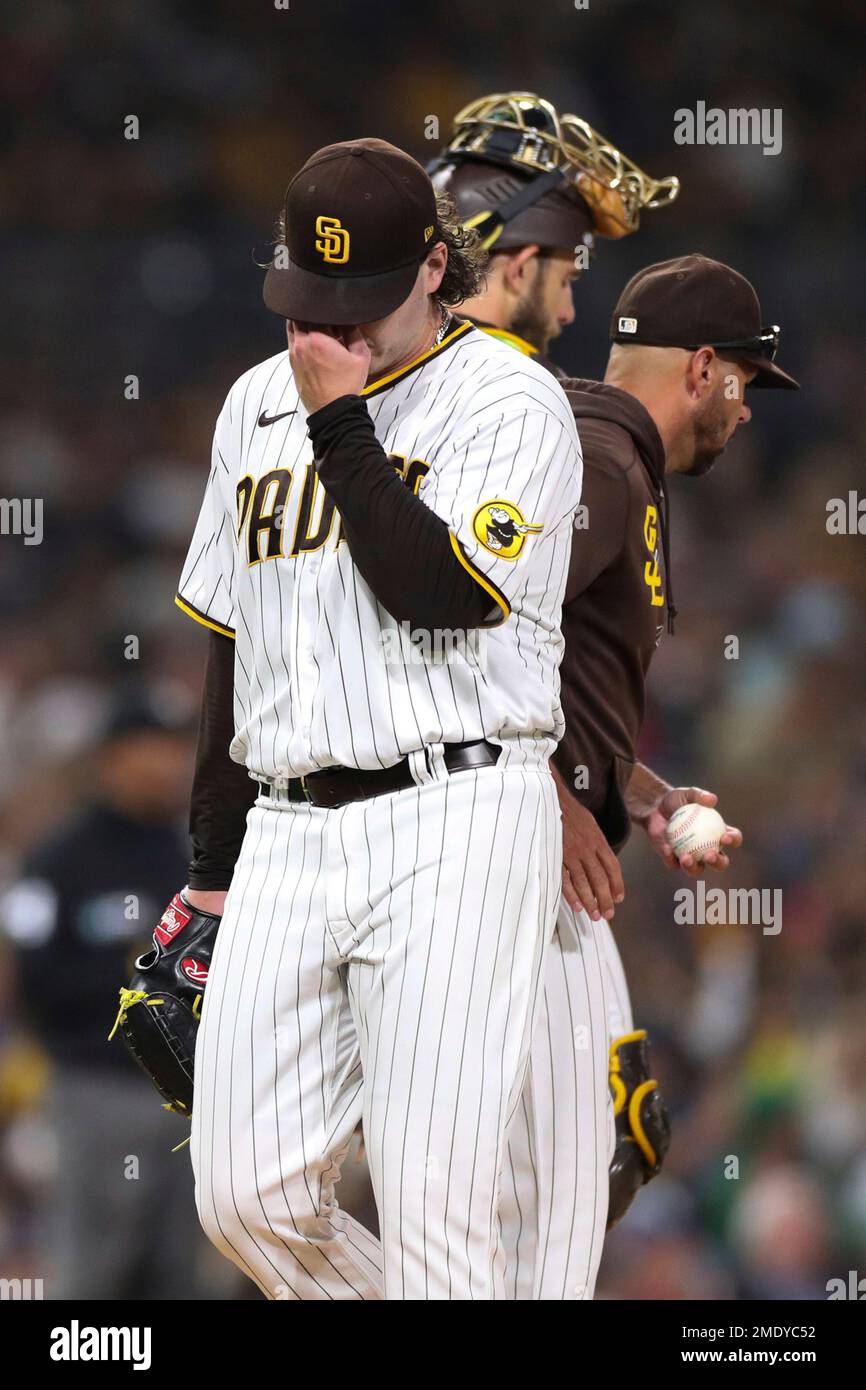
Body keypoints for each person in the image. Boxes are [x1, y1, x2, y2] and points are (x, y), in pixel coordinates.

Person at [173, 136, 585, 1300]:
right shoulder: (256, 400)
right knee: (242, 1192)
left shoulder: (511, 398)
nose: (333, 325)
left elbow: (439, 592)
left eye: (361, 299)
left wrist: (342, 423)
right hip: (290, 826)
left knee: (434, 1205)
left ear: (435, 265)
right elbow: (228, 636)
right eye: (314, 298)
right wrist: (213, 862)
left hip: (456, 813)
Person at [0, 689, 223, 1300]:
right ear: (110, 759)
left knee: (183, 1271)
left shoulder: (202, 855)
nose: (162, 764)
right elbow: (34, 980)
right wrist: (132, 984)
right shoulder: (60, 859)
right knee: (93, 1268)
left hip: (191, 1099)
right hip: (96, 1090)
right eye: (145, 748)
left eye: (173, 749)